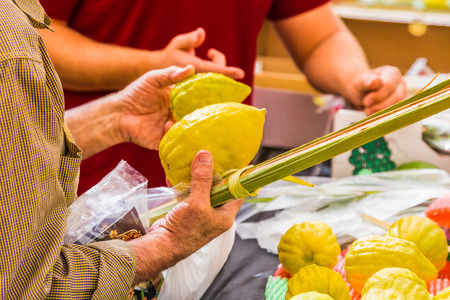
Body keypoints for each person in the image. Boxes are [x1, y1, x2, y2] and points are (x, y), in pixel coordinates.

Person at [37, 0, 408, 195]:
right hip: (83, 188)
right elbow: (34, 39)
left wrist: (360, 79)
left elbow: (319, 38)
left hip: (218, 190)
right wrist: (153, 66)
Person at [0, 0, 242, 298]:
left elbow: (11, 154)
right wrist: (169, 242)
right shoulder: (10, 44)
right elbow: (25, 284)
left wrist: (115, 118)